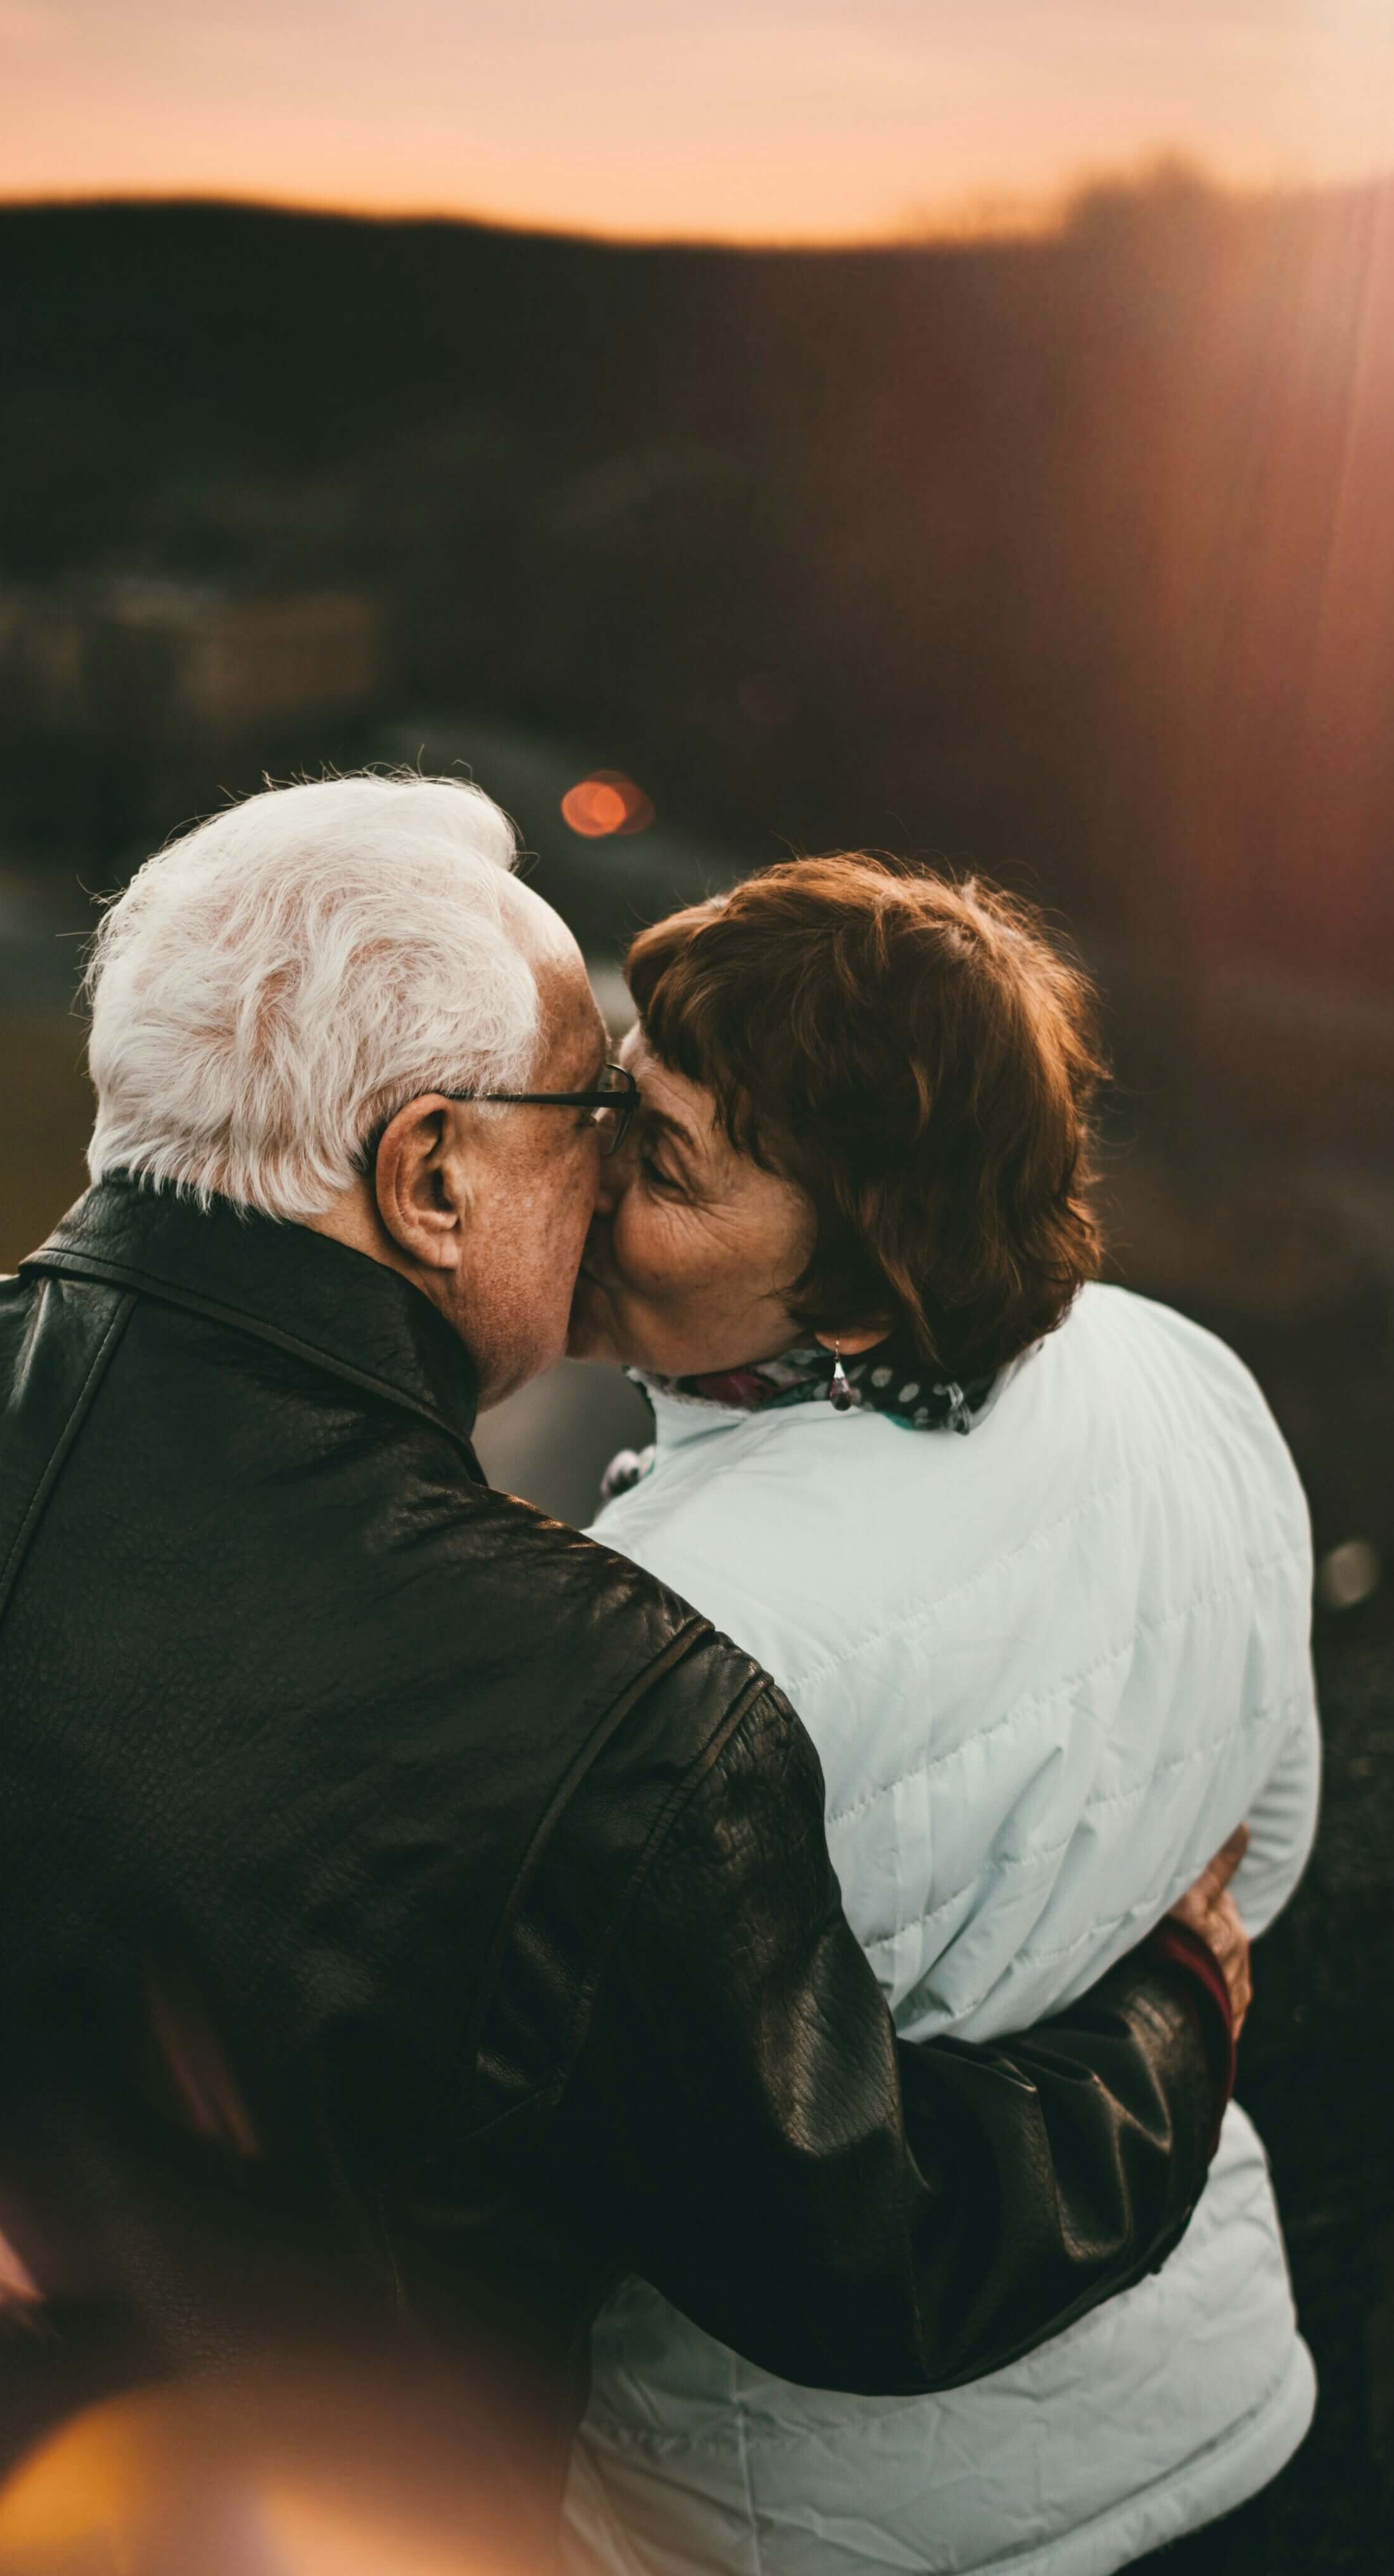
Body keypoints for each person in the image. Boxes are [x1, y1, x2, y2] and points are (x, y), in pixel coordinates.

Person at [0, 780, 1246, 2548]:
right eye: (591, 1112)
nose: (612, 1167)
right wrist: (1169, 2018)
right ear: (430, 1174)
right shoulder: (603, 1703)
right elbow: (871, 2253)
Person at [563, 856, 1318, 2576]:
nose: (589, 1178)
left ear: (853, 1292)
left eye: (663, 1162)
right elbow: (1256, 1857)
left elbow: (632, 2172)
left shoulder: (648, 1628)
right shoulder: (1181, 1367)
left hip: (812, 2520)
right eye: (618, 1098)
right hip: (1214, 2399)